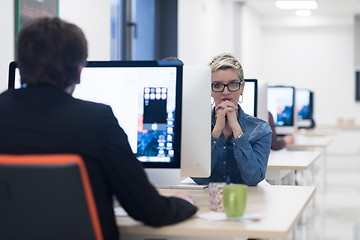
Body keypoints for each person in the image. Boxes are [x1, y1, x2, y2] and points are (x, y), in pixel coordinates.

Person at [0, 17, 197, 240]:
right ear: (78, 71)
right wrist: (184, 202)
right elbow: (150, 211)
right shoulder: (96, 120)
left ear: (22, 64)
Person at [192, 53, 272, 186]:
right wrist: (216, 131)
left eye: (233, 84)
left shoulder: (260, 130)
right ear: (209, 89)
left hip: (248, 201)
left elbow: (254, 178)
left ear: (242, 87)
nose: (225, 92)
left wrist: (237, 130)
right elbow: (199, 178)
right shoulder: (198, 127)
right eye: (217, 85)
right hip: (209, 200)